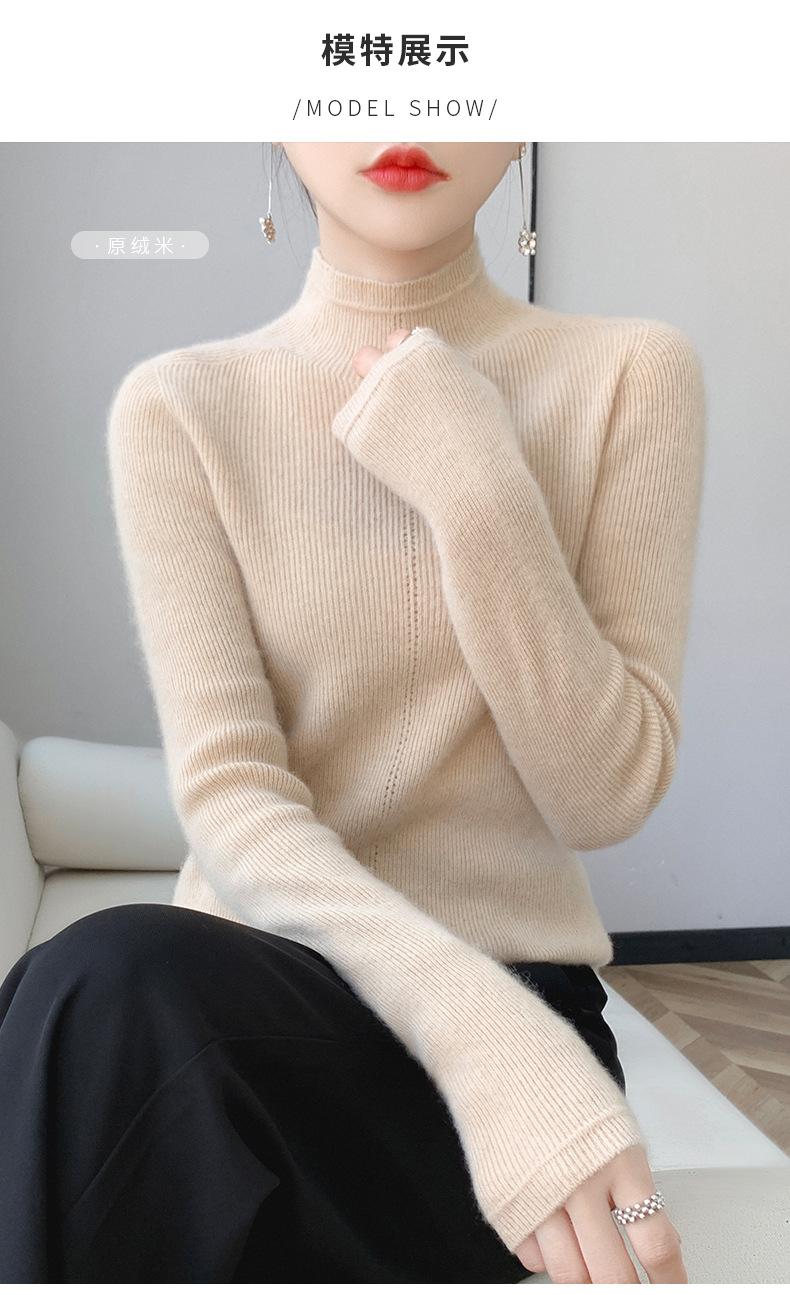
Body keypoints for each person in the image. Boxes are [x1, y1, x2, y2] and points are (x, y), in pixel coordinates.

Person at [0, 142, 705, 1282]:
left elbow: (604, 791)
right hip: (263, 1014)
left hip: (516, 1018)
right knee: (96, 992)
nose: (400, 106)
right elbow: (232, 793)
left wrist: (479, 488)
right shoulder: (180, 404)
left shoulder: (629, 373)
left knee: (86, 1003)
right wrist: (483, 1040)